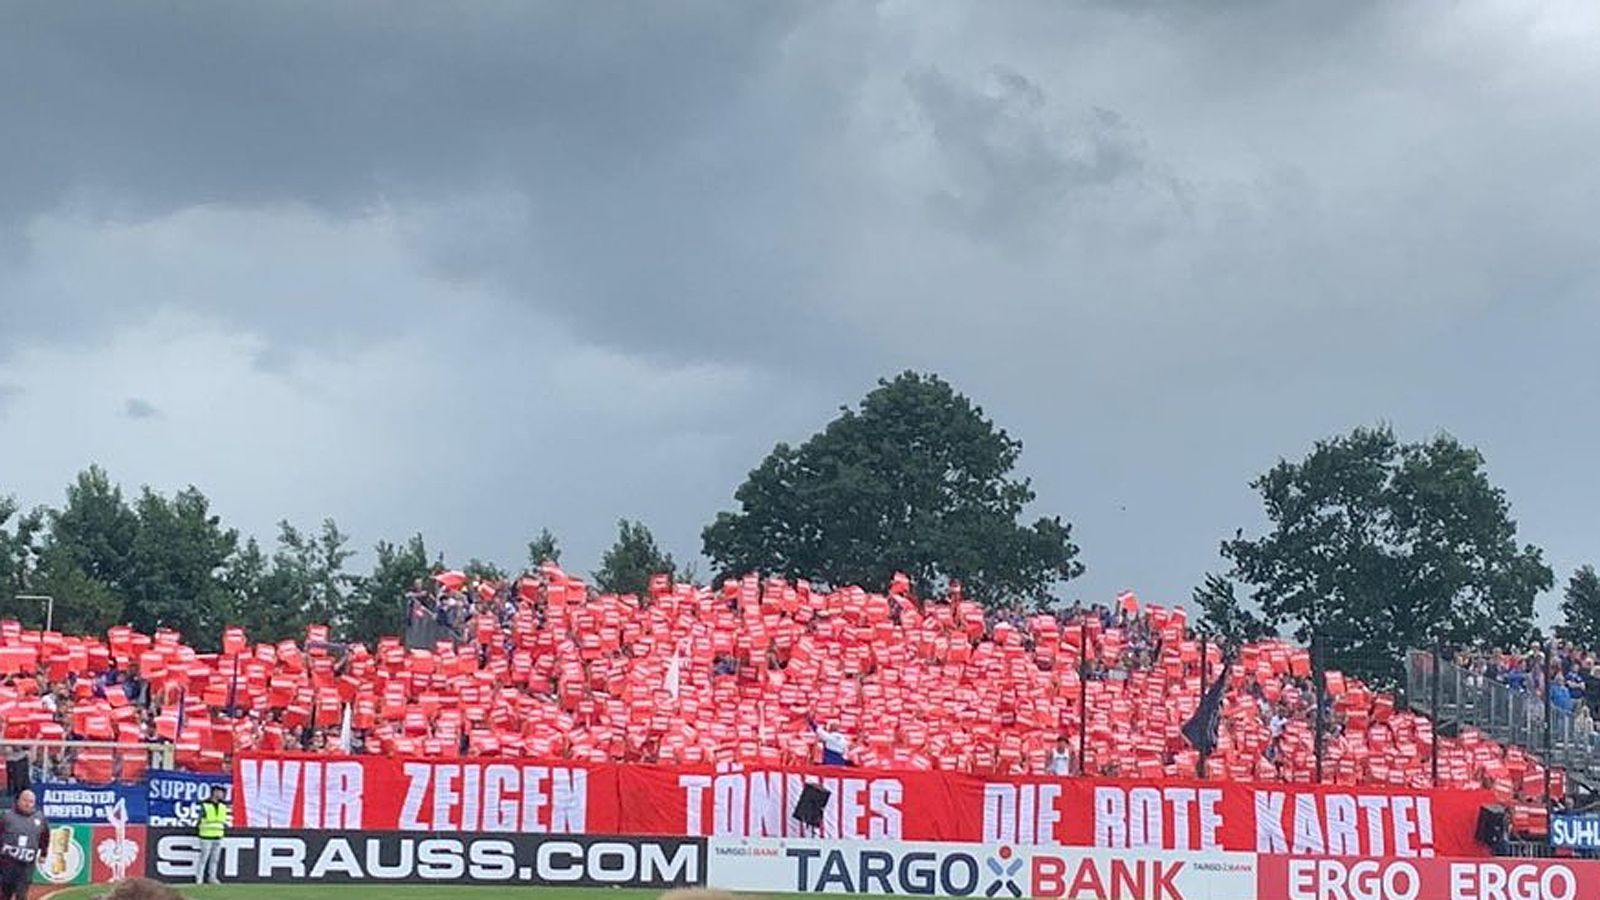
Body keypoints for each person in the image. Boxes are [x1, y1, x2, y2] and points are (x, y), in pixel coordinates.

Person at [0, 790, 50, 900]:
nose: (28, 804)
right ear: (18, 800)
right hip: (8, 863)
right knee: (5, 893)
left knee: (21, 894)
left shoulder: (40, 818)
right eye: (25, 800)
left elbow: (45, 837)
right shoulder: (7, 816)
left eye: (31, 802)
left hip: (27, 864)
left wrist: (44, 853)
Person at [196, 785, 230, 885]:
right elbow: (200, 819)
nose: (222, 795)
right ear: (214, 792)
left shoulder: (223, 806)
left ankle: (212, 878)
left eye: (222, 793)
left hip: (218, 835)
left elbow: (223, 820)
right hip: (206, 835)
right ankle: (199, 879)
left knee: (215, 859)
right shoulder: (205, 804)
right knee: (204, 858)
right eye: (220, 792)